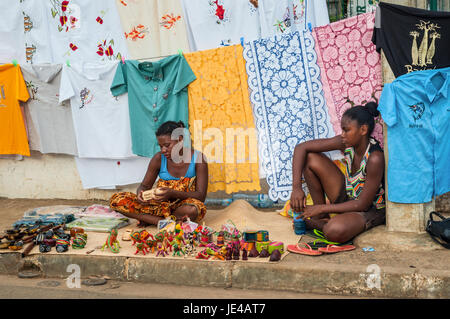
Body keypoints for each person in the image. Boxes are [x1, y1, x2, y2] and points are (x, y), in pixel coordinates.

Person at [290, 102, 385, 244]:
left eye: (347, 130)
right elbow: (301, 148)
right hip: (349, 197)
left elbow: (362, 204)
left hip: (367, 210)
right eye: (342, 130)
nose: (343, 134)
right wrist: (296, 187)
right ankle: (321, 218)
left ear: (363, 130)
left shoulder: (375, 158)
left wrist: (320, 207)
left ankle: (320, 223)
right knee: (310, 158)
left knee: (333, 231)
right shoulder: (346, 143)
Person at [110, 121, 208, 226]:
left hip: (182, 206)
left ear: (180, 139)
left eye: (167, 145)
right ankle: (165, 222)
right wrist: (141, 194)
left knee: (192, 210)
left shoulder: (198, 159)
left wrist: (172, 193)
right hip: (159, 206)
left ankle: (151, 220)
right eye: (161, 146)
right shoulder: (159, 158)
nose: (163, 150)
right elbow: (144, 185)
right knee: (117, 200)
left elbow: (200, 196)